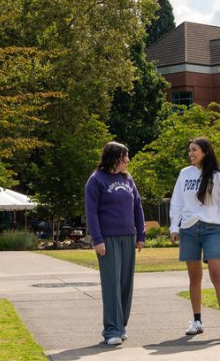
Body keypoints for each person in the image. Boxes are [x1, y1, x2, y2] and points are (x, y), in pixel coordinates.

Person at [169, 137, 220, 339]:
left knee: (217, 274)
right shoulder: (184, 174)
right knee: (195, 277)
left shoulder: (218, 176)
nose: (191, 154)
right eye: (189, 150)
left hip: (212, 229)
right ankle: (197, 321)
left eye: (194, 150)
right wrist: (174, 226)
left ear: (206, 152)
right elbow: (176, 202)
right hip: (189, 230)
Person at [84, 141, 146, 346]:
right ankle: (111, 330)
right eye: (124, 156)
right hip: (108, 239)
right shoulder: (96, 180)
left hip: (128, 236)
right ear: (114, 157)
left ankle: (121, 325)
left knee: (126, 284)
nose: (128, 160)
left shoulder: (128, 180)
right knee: (111, 285)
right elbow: (91, 212)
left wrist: (141, 235)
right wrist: (97, 239)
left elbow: (137, 207)